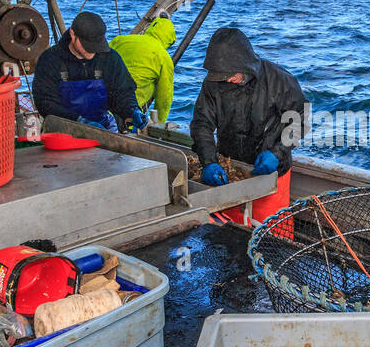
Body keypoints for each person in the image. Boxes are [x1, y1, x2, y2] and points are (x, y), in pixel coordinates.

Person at [191, 27, 306, 226]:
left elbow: (300, 119)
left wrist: (277, 153)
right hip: (231, 169)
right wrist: (208, 161)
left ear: (245, 65)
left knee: (270, 232)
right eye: (220, 75)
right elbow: (202, 123)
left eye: (229, 74)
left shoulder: (278, 79)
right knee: (230, 231)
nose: (226, 79)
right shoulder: (212, 84)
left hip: (272, 172)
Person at [31, 11, 145, 132]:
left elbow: (122, 93)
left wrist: (132, 110)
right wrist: (78, 122)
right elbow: (45, 103)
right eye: (88, 45)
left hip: (103, 127)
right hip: (63, 131)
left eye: (96, 46)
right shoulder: (50, 60)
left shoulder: (109, 58)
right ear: (73, 34)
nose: (92, 51)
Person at [108, 16, 177, 125]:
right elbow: (164, 98)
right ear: (169, 40)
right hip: (125, 111)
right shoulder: (164, 58)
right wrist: (158, 124)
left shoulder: (121, 39)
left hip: (96, 102)